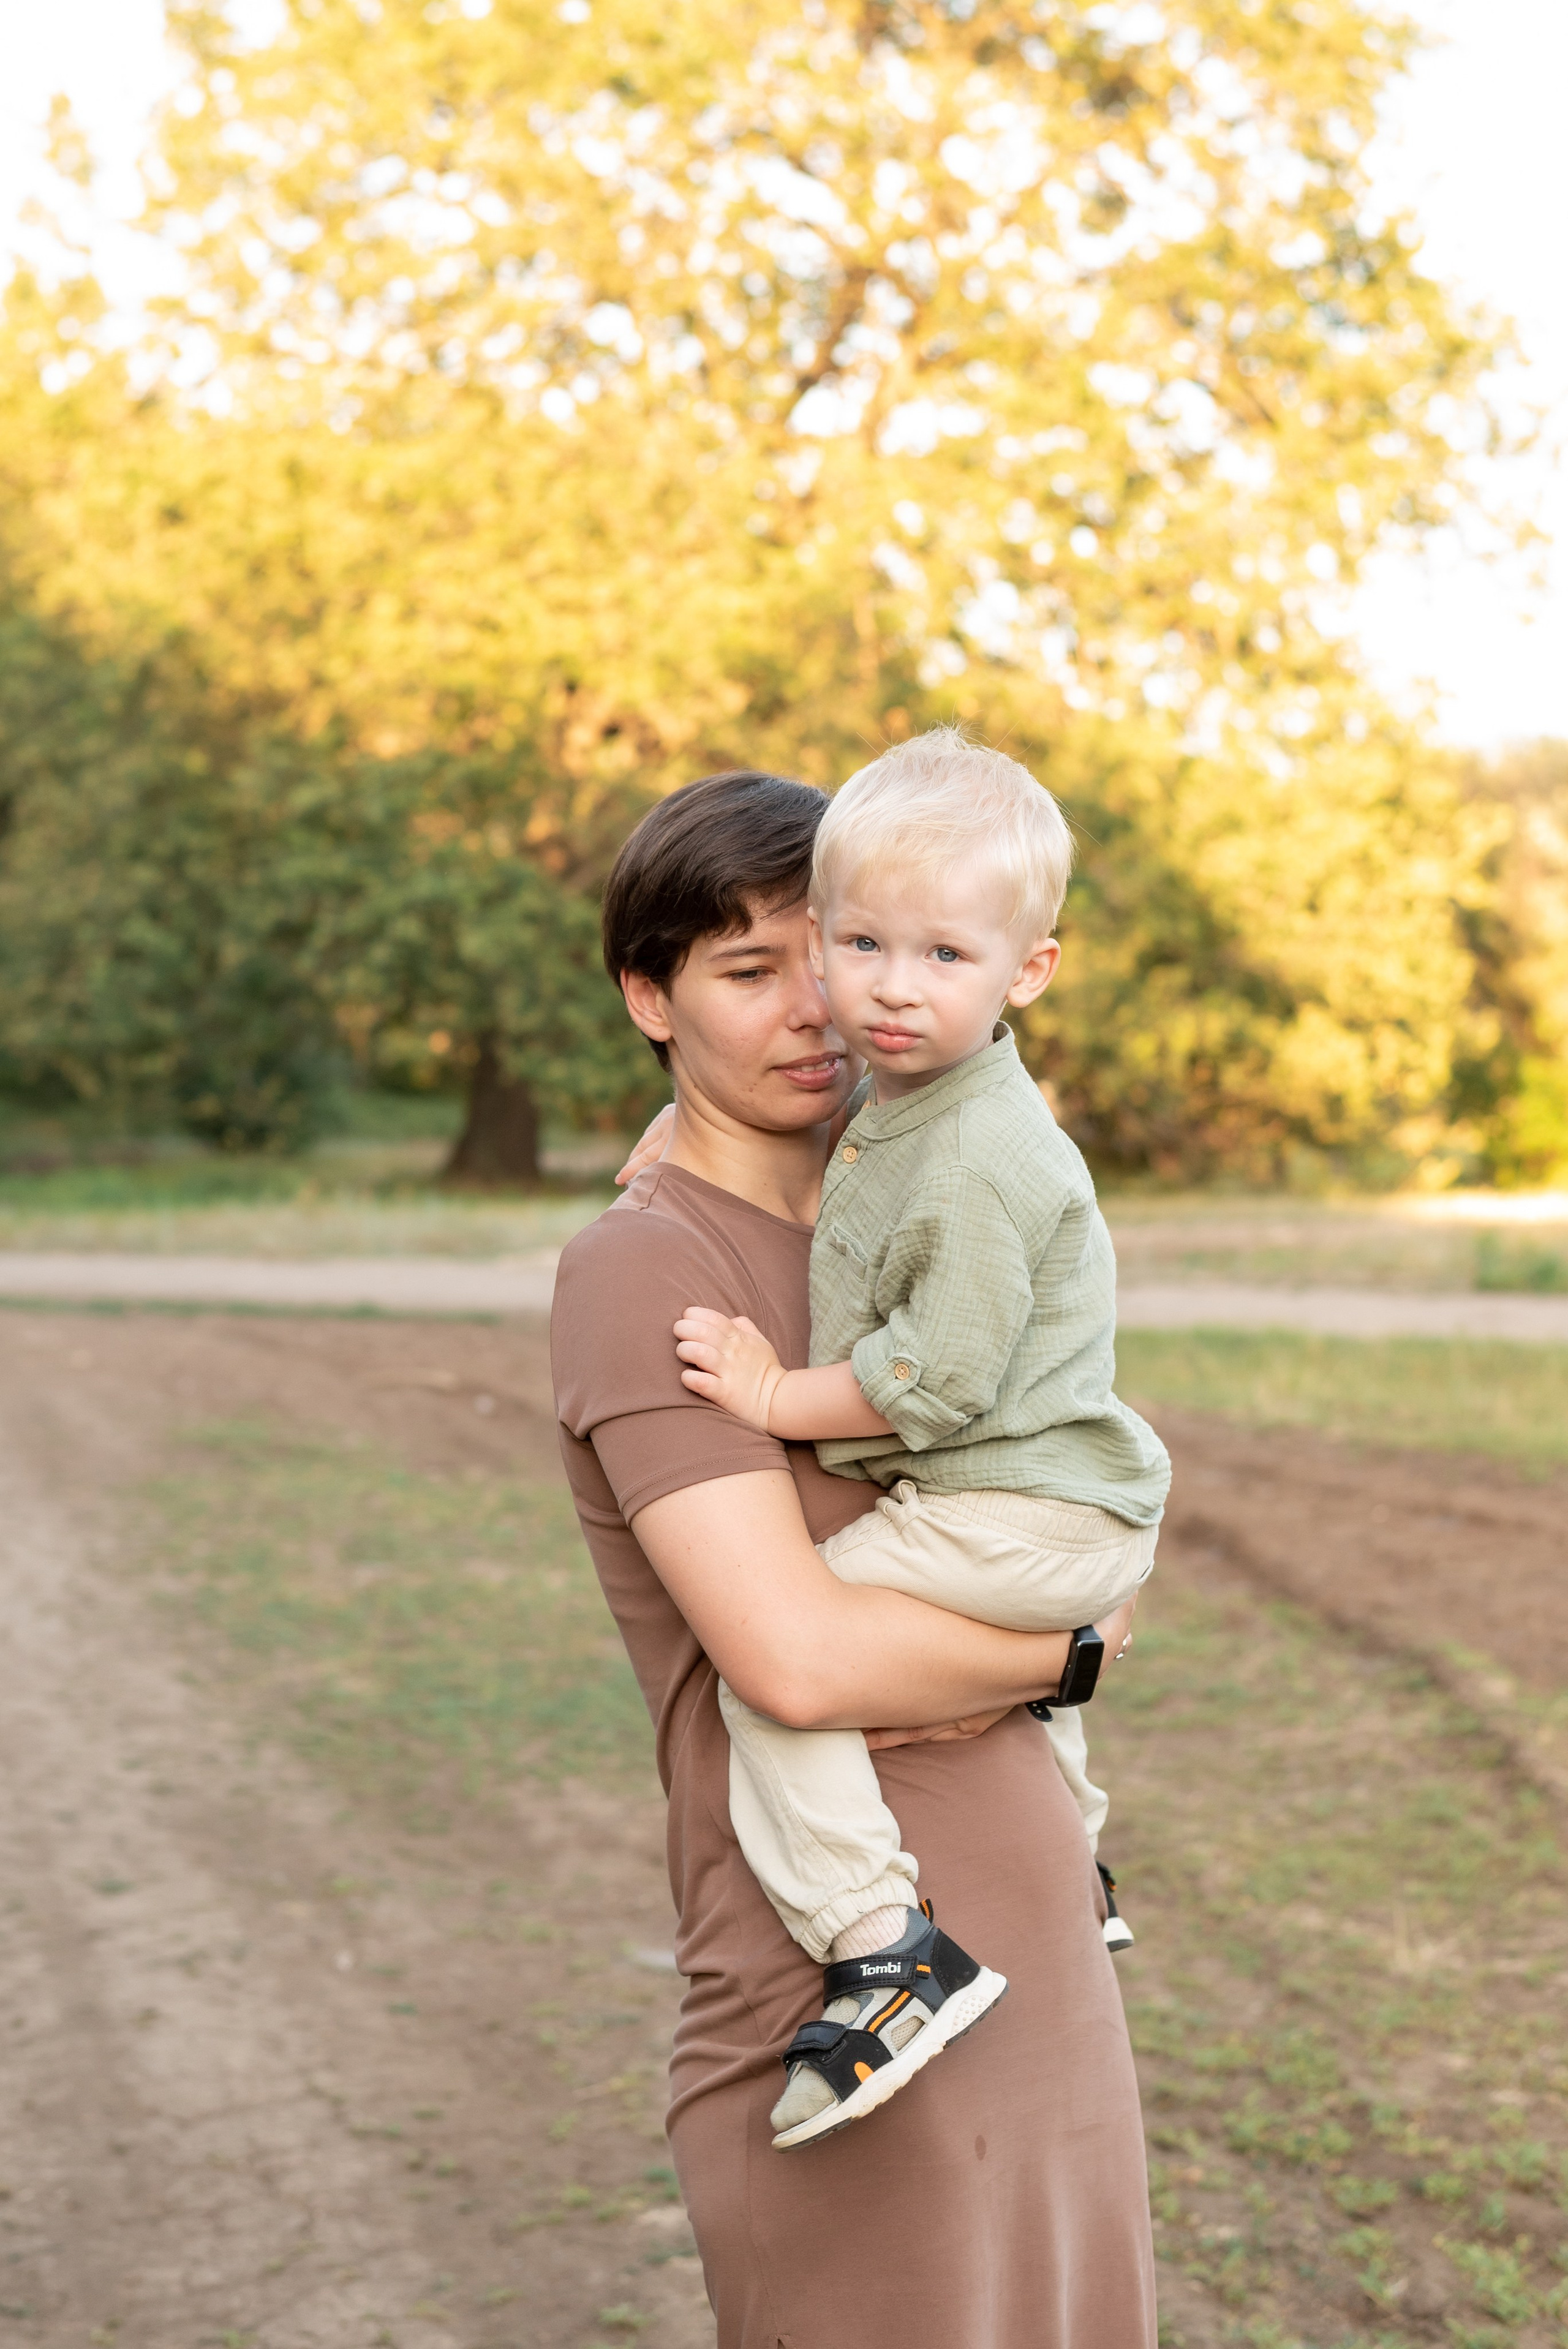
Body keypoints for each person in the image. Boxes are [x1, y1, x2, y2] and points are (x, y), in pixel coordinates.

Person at [551, 767, 1158, 2349]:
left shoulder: (909, 1199)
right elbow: (797, 1661)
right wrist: (1071, 1654)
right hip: (844, 1982)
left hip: (1036, 1934)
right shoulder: (647, 1272)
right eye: (747, 971)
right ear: (649, 997)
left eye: (823, 952)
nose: (816, 1006)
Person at [669, 731, 1170, 2152]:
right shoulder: (920, 1093)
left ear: (1027, 970)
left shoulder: (971, 1156)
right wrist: (667, 1136)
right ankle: (1076, 1869)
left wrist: (771, 1398)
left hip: (1012, 1508)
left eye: (943, 954)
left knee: (782, 1666)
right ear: (822, 940)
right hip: (1056, 1501)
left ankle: (881, 1945)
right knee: (925, 1668)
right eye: (861, 944)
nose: (892, 987)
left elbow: (930, 1382)